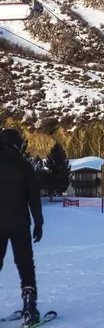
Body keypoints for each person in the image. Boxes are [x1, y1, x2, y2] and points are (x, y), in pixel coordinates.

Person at [0, 129, 43, 325]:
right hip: (20, 224)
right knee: (25, 265)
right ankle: (29, 309)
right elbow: (34, 198)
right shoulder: (25, 167)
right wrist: (39, 222)